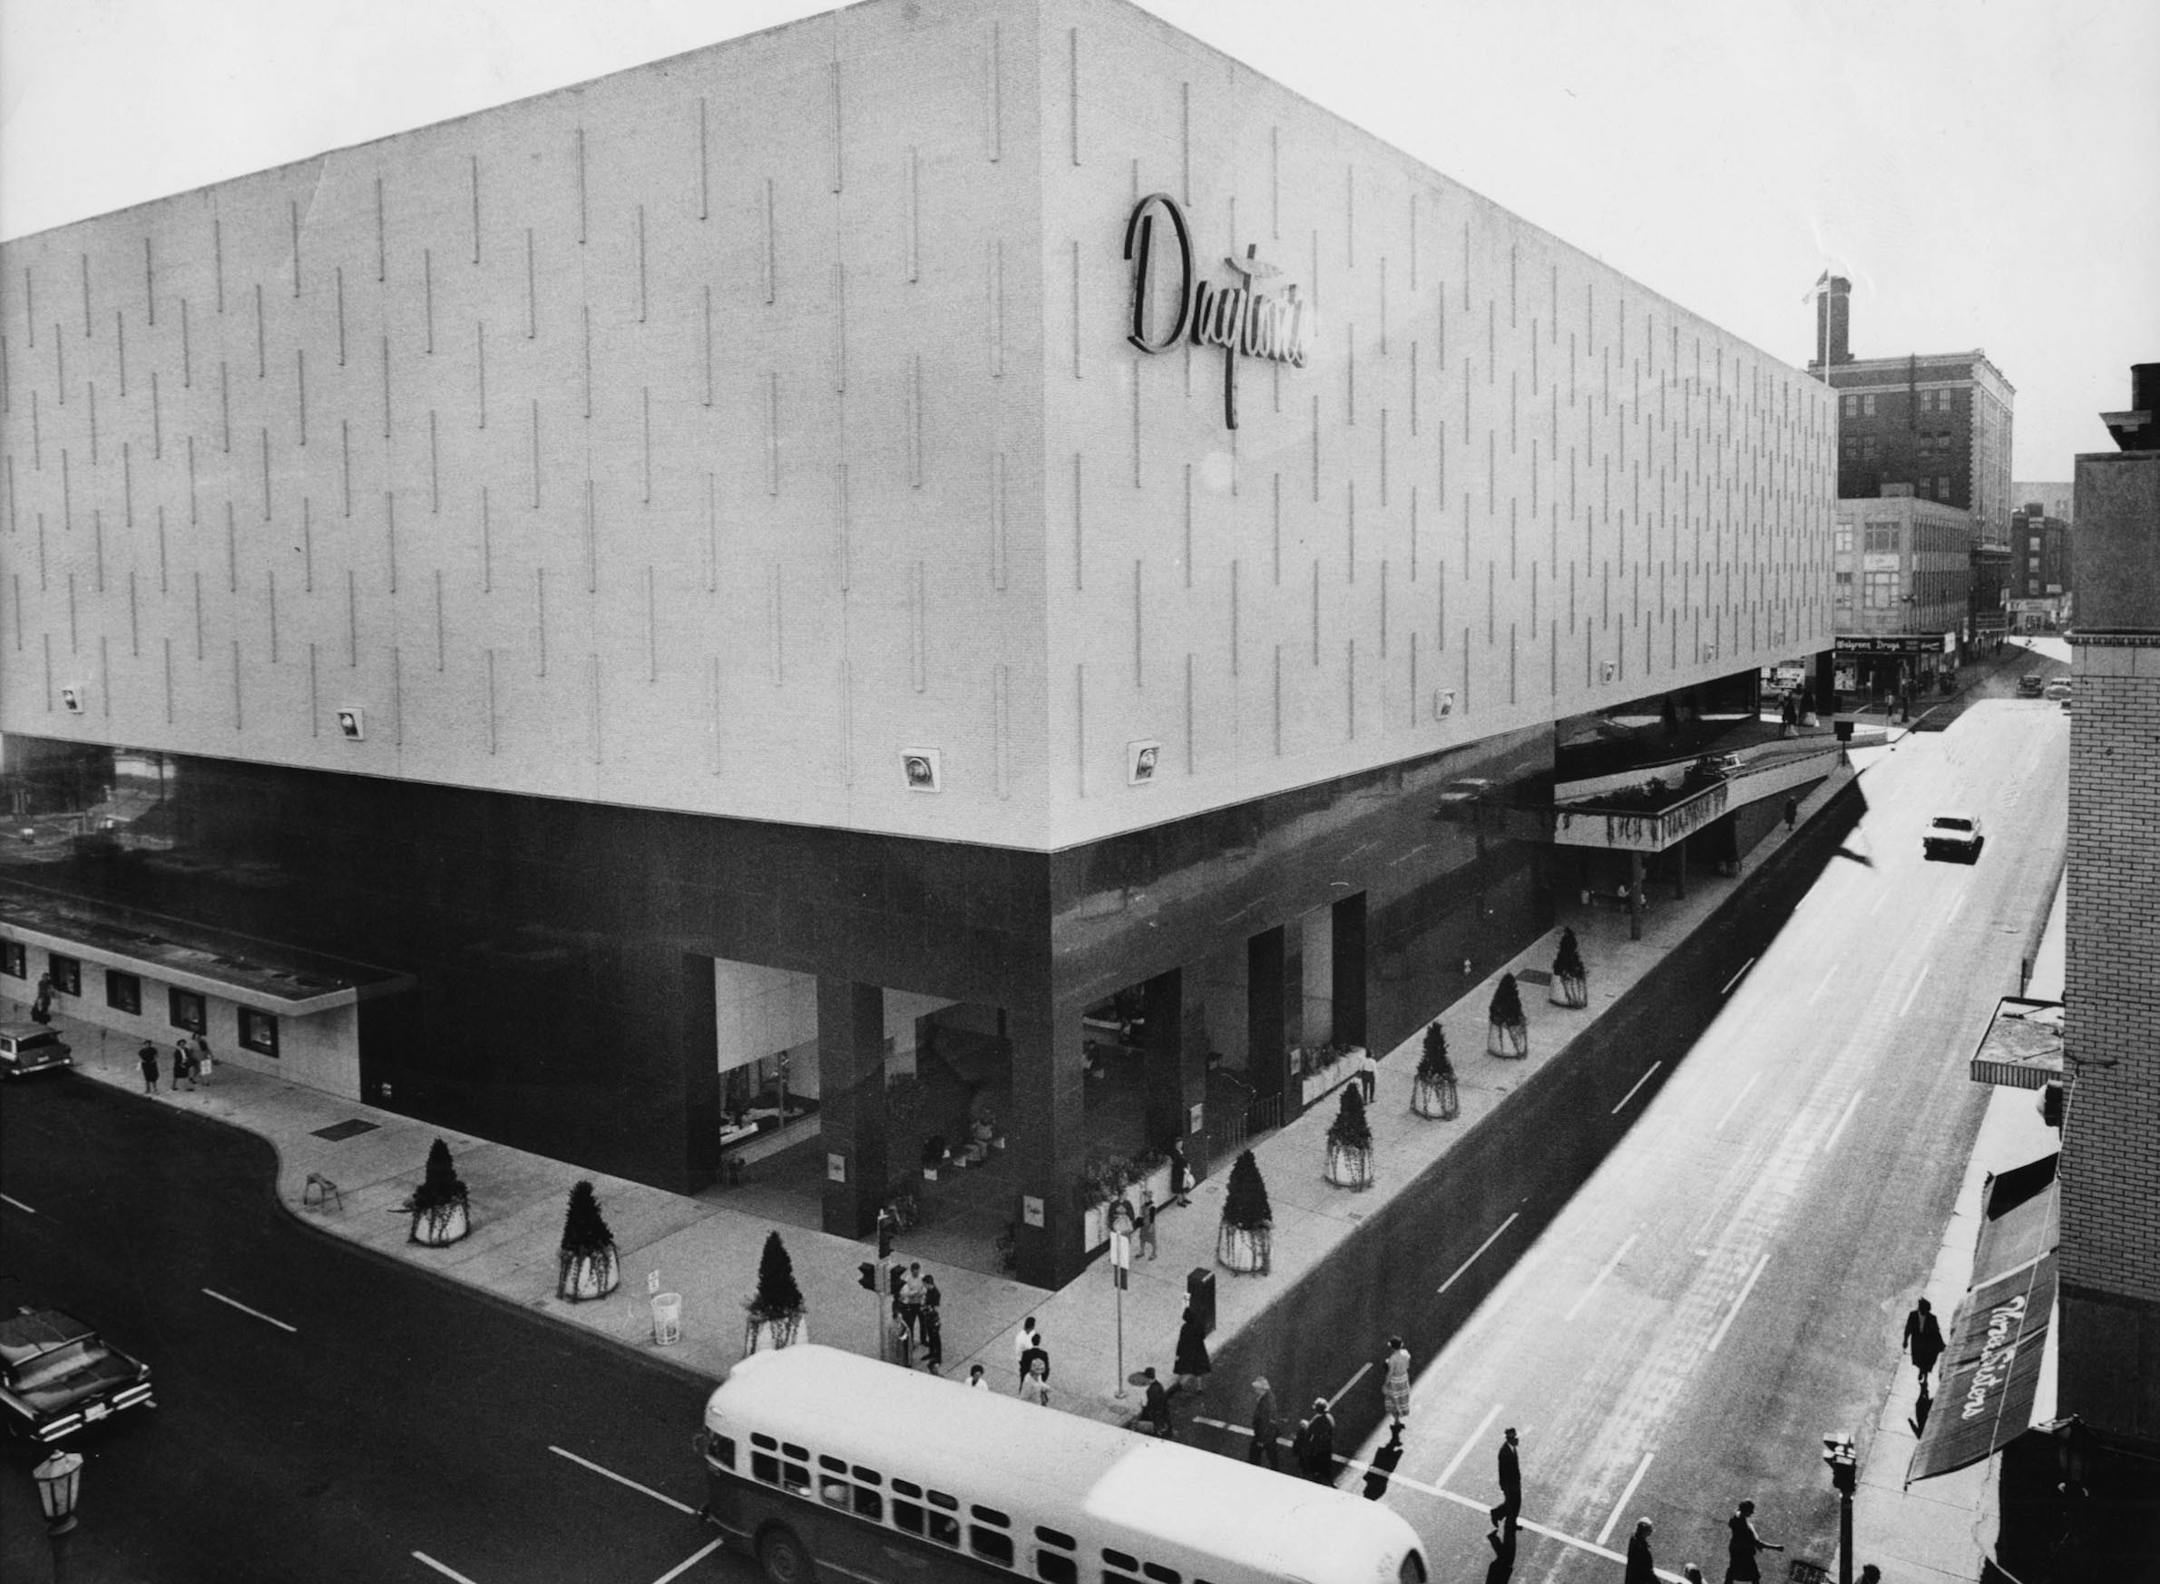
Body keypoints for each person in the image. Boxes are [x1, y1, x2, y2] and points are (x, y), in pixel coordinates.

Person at [1724, 1499, 1782, 1583]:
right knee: (1754, 1575)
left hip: (1735, 1548)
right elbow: (1758, 1543)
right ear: (1745, 1511)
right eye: (1751, 1511)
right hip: (1744, 1552)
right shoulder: (1745, 1530)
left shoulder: (1735, 1516)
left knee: (1733, 1570)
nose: (1752, 1513)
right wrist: (1776, 1547)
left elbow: (1732, 1524)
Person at [1902, 1297, 1945, 1388]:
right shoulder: (1913, 1315)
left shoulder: (1932, 1318)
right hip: (1917, 1342)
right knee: (1918, 1360)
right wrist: (1905, 1340)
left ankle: (1925, 1377)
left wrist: (1941, 1344)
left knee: (1926, 1361)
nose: (1924, 1312)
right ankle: (1921, 1370)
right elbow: (1908, 1328)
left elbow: (1936, 1331)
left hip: (1927, 1343)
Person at [1489, 1425, 1522, 1534]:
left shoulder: (1511, 1448)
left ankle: (1508, 1521)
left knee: (1514, 1503)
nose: (1517, 1439)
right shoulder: (1504, 1452)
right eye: (1514, 1437)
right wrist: (1504, 1486)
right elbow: (1502, 1471)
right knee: (1513, 1504)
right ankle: (1498, 1514)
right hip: (1510, 1484)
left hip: (1514, 1482)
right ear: (1510, 1439)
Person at [1173, 1305, 1211, 1394]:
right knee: (1198, 1371)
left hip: (1188, 1351)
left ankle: (1181, 1384)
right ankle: (1199, 1388)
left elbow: (1181, 1340)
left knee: (1188, 1370)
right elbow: (1203, 1336)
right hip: (1198, 1350)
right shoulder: (1198, 1325)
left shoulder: (1184, 1328)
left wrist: (1179, 1353)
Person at [1362, 1423, 1405, 1500]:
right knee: (1390, 1447)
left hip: (1385, 1467)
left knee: (1390, 1447)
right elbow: (1368, 1477)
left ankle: (1396, 1431)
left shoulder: (1379, 1488)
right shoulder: (1372, 1482)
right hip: (1381, 1466)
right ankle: (1395, 1431)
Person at [1248, 1377, 1281, 1469]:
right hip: (1269, 1434)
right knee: (1272, 1455)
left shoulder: (1266, 1402)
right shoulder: (1268, 1397)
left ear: (1261, 1389)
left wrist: (1261, 1439)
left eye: (1256, 1388)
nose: (1255, 1390)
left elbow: (1265, 1422)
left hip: (1264, 1435)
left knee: (1254, 1455)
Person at [1303, 1397, 1336, 1484]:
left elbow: (1310, 1431)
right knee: (1327, 1463)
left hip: (1318, 1445)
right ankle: (1330, 1480)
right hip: (1327, 1444)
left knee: (1315, 1462)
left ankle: (1316, 1477)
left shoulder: (1317, 1419)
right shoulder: (1330, 1418)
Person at [1381, 1335, 1411, 1426]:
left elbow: (1390, 1373)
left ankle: (1396, 1420)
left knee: (1392, 1401)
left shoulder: (1392, 1359)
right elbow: (1407, 1365)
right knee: (1402, 1399)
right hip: (1404, 1378)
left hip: (1395, 1381)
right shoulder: (1406, 1353)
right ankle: (1400, 1416)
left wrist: (1385, 1385)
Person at [1140, 1367, 1173, 1438]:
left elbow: (1151, 1406)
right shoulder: (1158, 1385)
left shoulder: (1151, 1390)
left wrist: (1143, 1405)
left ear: (1147, 1378)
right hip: (1162, 1414)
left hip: (1155, 1417)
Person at [1624, 1519, 1657, 1584]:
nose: (1651, 1531)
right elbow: (1647, 1572)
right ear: (1644, 1532)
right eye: (1649, 1529)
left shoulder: (1634, 1539)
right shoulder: (1643, 1550)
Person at [1018, 1332, 1049, 1397]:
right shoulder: (1044, 1354)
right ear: (1039, 1341)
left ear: (1031, 1341)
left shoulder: (1026, 1353)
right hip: (1038, 1382)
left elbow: (1022, 1369)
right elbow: (1046, 1370)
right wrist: (1042, 1380)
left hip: (1027, 1381)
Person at [1167, 1139, 1192, 1206]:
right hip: (1178, 1171)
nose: (1180, 1145)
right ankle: (1179, 1201)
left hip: (1183, 1171)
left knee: (1184, 1185)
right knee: (1179, 1186)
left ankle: (1185, 1198)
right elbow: (1177, 1161)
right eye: (1179, 1144)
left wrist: (1187, 1166)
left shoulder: (1181, 1151)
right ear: (1175, 1144)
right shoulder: (1174, 1152)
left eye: (1181, 1144)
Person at [1138, 1187, 1159, 1260]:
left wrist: (1151, 1226)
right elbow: (1141, 1213)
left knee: (1152, 1240)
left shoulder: (1152, 1206)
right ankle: (1142, 1251)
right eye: (1144, 1197)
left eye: (1146, 1197)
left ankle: (1154, 1253)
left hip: (1149, 1224)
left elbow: (1153, 1218)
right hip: (1143, 1225)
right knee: (1142, 1239)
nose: (1145, 1198)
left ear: (1149, 1197)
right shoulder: (1144, 1205)